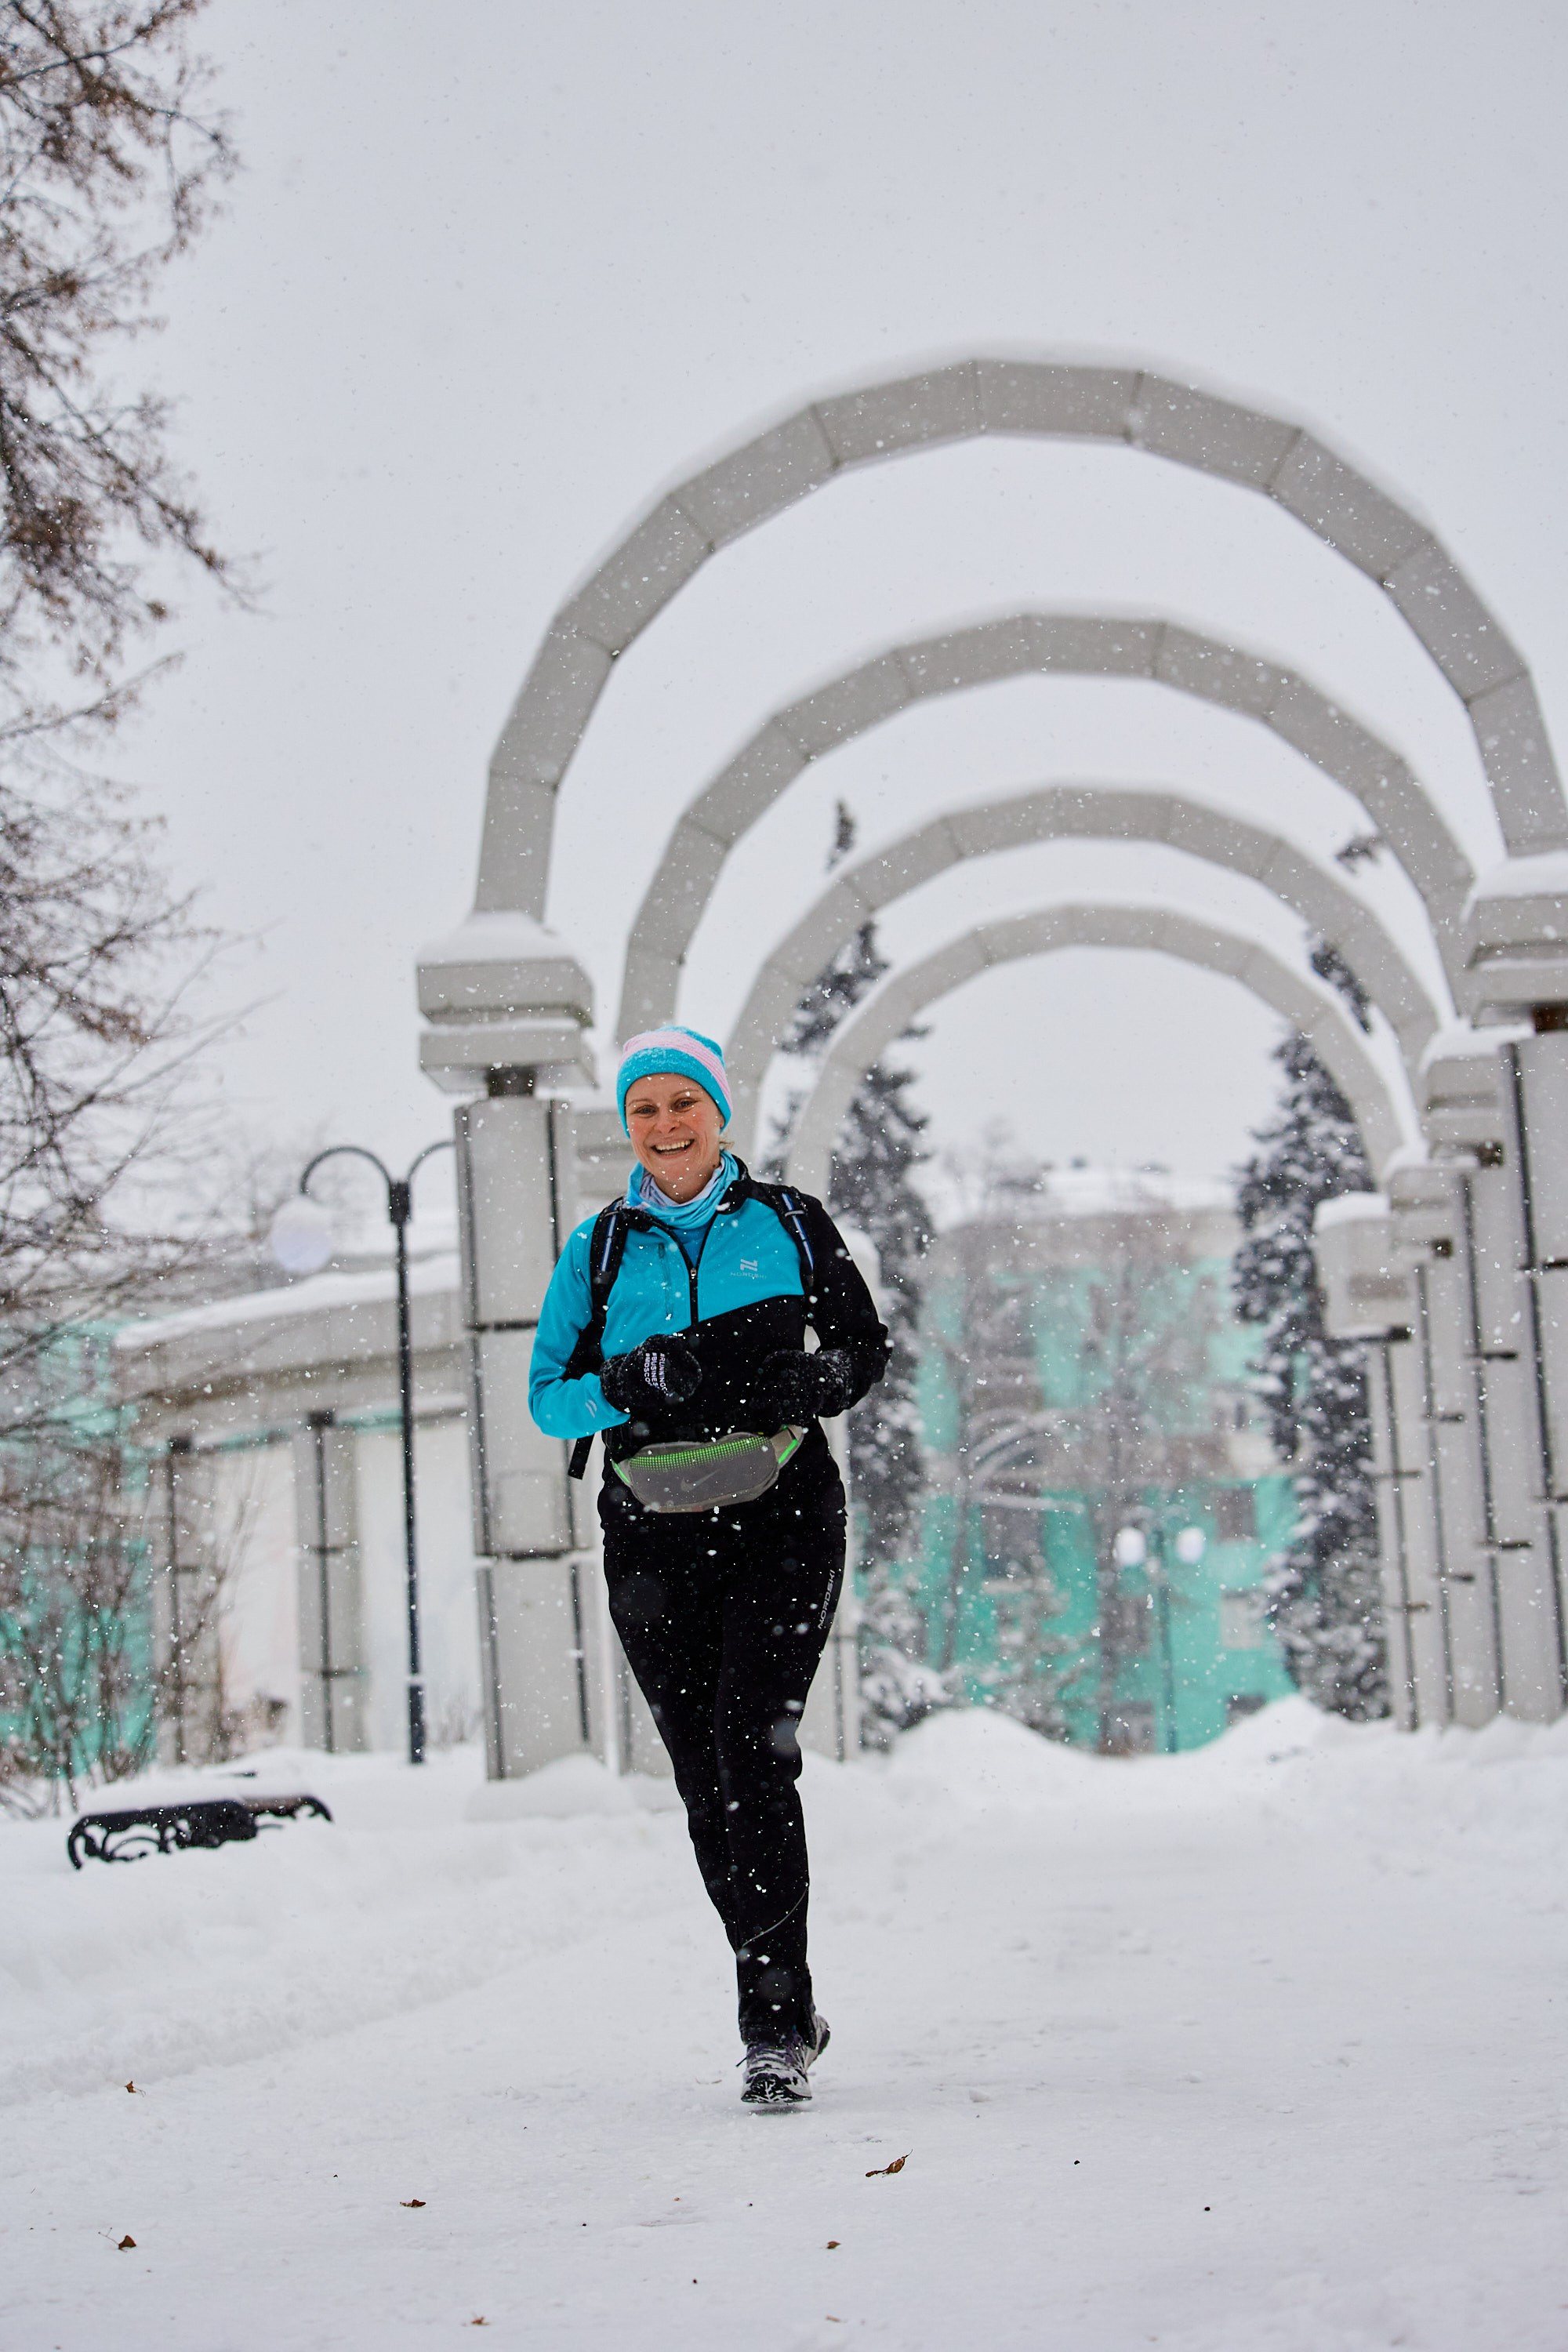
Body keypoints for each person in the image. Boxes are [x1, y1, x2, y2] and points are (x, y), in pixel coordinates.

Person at [528, 1025, 889, 2107]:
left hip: (783, 1515)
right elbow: (551, 1393)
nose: (666, 1125)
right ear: (627, 1125)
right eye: (645, 1109)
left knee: (751, 1752)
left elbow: (865, 1348)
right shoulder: (598, 1249)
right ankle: (781, 1990)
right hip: (654, 1535)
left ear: (718, 1113)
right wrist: (624, 1382)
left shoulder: (787, 1223)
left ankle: (771, 2025)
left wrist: (816, 1384)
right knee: (702, 1779)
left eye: (684, 1103)